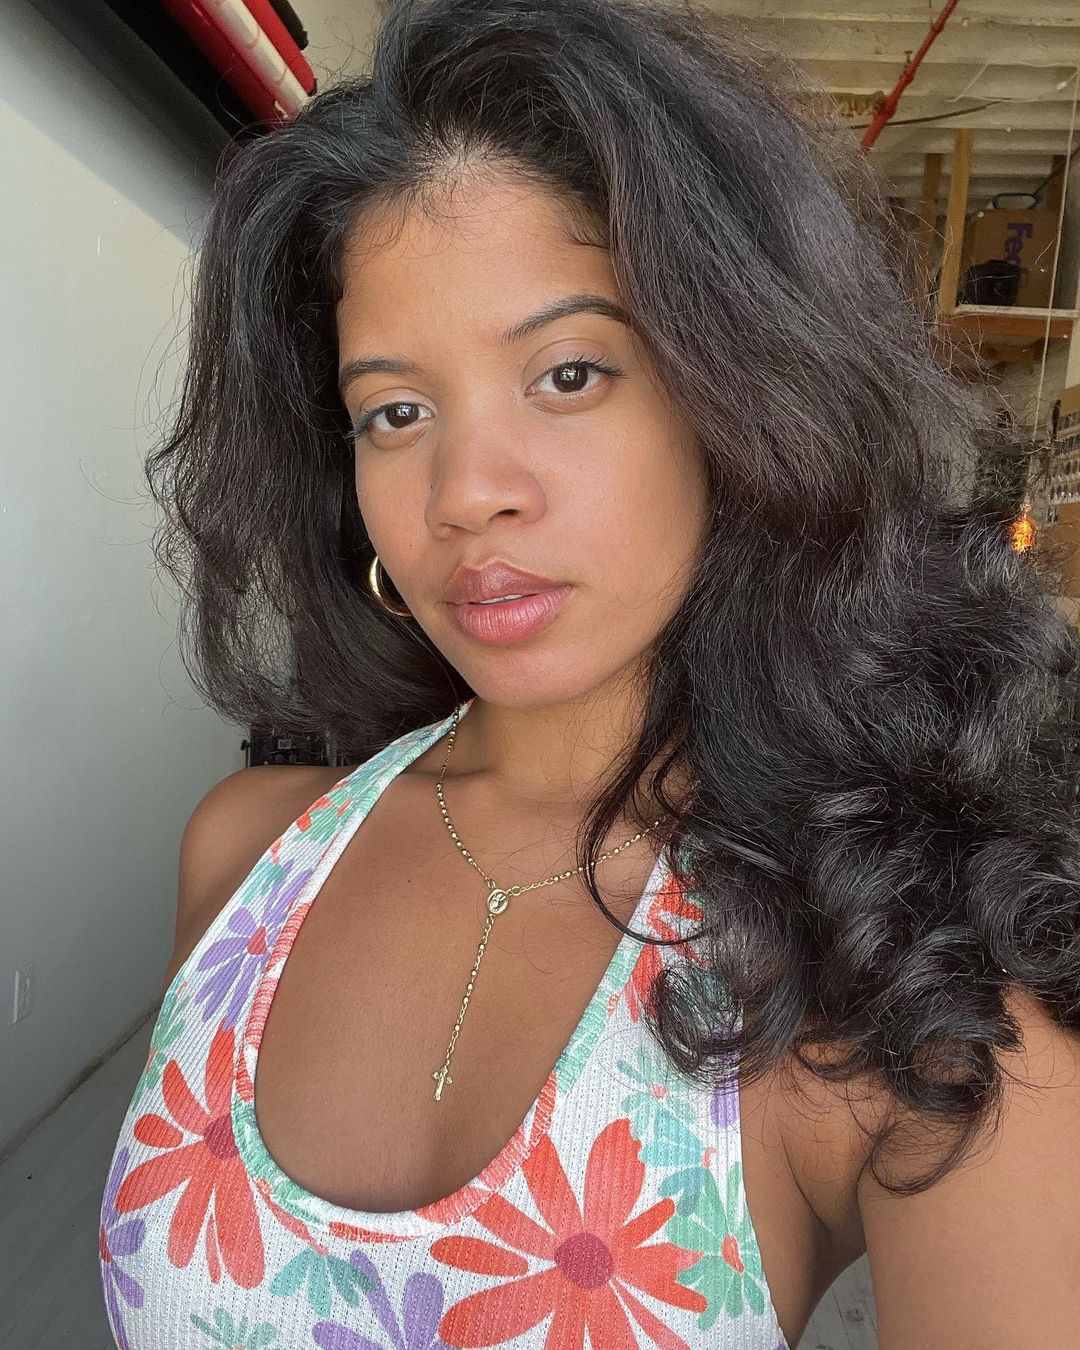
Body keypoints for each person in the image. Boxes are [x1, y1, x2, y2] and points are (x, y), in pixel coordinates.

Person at [98, 0, 1080, 1346]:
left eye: (567, 373)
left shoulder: (899, 980)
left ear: (738, 399)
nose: (467, 492)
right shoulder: (242, 859)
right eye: (395, 410)